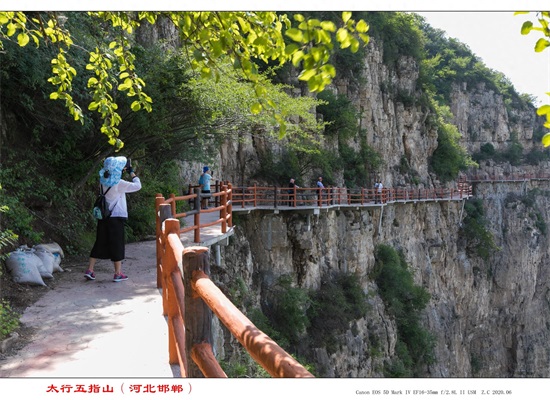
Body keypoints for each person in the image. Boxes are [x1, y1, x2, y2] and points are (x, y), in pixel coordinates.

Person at [85, 156, 142, 282]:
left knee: (99, 242)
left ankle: (90, 269)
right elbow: (138, 186)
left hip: (103, 216)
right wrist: (131, 172)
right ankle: (118, 273)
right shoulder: (119, 184)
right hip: (116, 217)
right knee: (117, 244)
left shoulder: (102, 181)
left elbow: (111, 178)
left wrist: (120, 171)